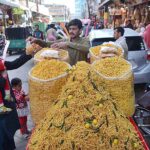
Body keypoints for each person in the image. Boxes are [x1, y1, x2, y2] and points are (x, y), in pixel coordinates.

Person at [0, 52, 32, 150]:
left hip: (8, 103)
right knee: (3, 132)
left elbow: (14, 64)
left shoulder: (2, 62)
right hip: (1, 107)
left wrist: (29, 53)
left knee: (9, 131)